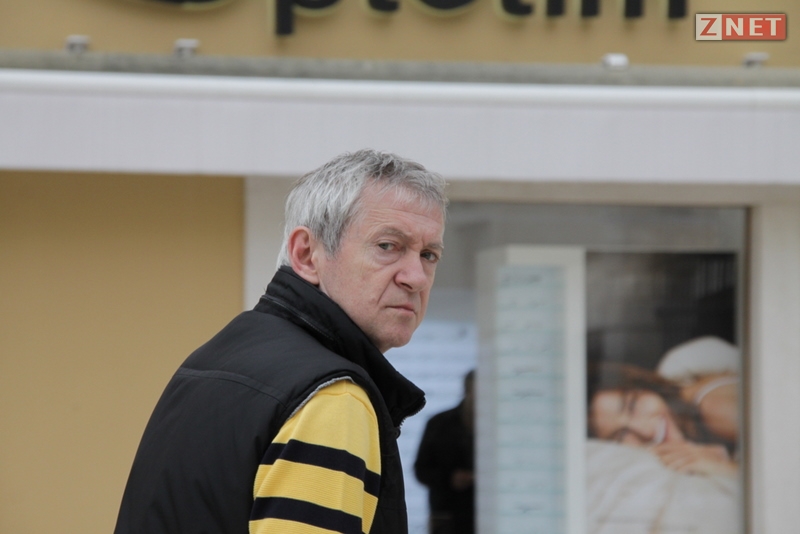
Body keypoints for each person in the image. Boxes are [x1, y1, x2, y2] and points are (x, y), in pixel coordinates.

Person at [114, 149, 448, 534]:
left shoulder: (213, 360)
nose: (416, 278)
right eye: (387, 246)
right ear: (306, 254)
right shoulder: (332, 396)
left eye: (428, 255)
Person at [587, 361, 739, 477]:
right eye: (621, 435)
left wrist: (723, 467)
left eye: (632, 406)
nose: (645, 431)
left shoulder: (714, 407)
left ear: (646, 386)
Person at [414, 370, 475, 534]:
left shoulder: (501, 427)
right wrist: (450, 478)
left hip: (490, 514)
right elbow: (421, 470)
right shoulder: (439, 424)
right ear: (467, 391)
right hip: (447, 515)